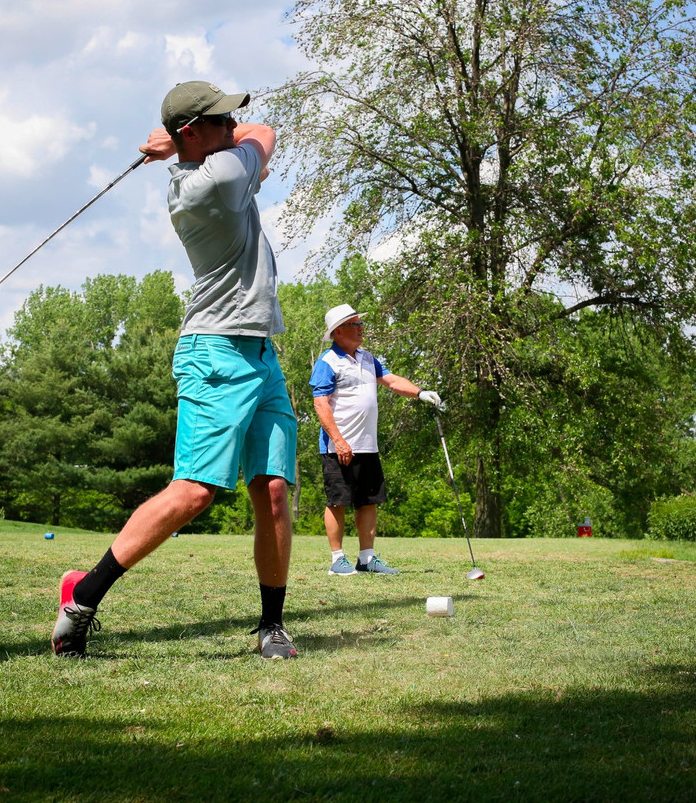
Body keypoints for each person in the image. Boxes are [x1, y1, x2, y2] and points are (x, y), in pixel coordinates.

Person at [51, 81, 298, 660]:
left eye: (232, 119)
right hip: (214, 352)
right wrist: (189, 148)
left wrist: (179, 148)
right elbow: (267, 136)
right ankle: (82, 597)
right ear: (194, 133)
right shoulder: (214, 181)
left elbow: (242, 136)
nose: (235, 126)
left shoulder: (205, 166)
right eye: (221, 122)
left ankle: (271, 627)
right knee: (195, 492)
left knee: (275, 491)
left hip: (261, 353)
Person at [310, 304, 442, 576]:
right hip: (338, 447)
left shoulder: (368, 358)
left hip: (367, 445)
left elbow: (392, 381)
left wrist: (420, 392)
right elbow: (320, 404)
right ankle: (337, 560)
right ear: (338, 331)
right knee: (338, 501)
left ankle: (367, 559)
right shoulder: (327, 362)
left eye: (360, 323)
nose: (361, 328)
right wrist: (339, 440)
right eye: (354, 324)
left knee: (368, 500)